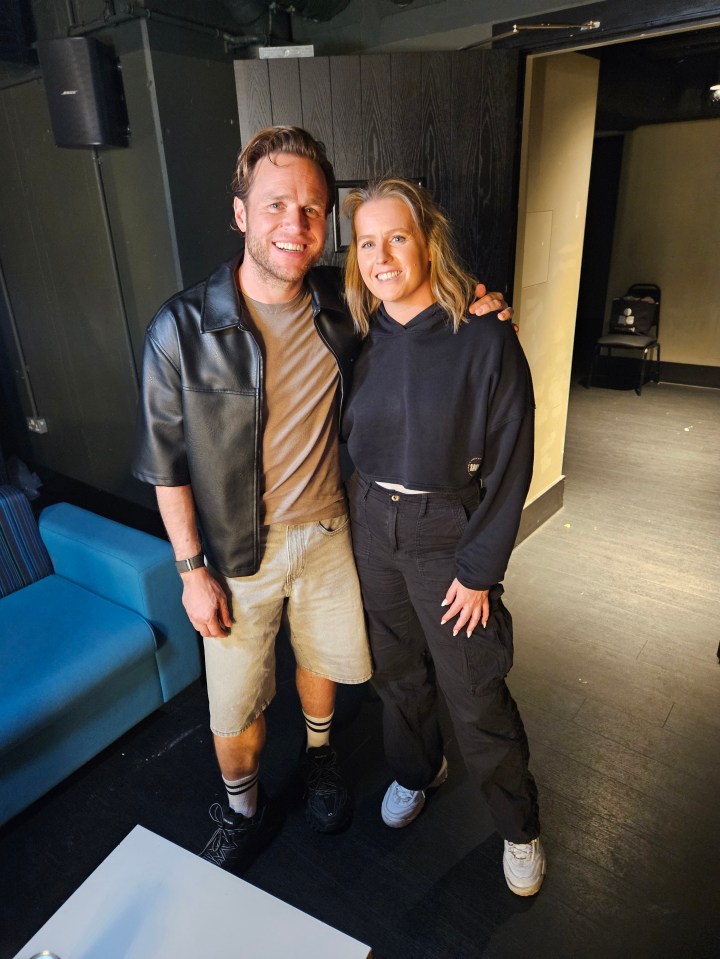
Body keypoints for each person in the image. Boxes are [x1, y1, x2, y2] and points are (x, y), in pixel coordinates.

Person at [132, 126, 512, 874]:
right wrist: (190, 568)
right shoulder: (178, 329)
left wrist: (476, 301)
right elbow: (164, 465)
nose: (295, 225)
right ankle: (243, 806)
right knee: (234, 705)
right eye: (276, 204)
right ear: (241, 212)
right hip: (238, 550)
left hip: (336, 531)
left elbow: (414, 299)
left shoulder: (344, 306)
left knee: (324, 662)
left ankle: (318, 758)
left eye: (311, 209)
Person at [341, 178, 545, 896]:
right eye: (367, 242)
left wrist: (481, 569)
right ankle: (417, 770)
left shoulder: (485, 338)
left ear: (428, 241)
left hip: (445, 534)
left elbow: (513, 458)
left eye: (397, 236)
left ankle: (519, 827)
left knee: (475, 688)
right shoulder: (357, 336)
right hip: (372, 524)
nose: (381, 255)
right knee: (398, 675)